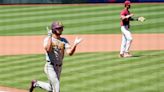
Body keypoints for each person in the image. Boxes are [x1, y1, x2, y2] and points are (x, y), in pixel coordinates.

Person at [29, 21, 82, 92]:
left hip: (59, 68)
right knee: (56, 87)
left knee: (51, 88)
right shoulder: (47, 39)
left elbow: (69, 53)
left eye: (61, 28)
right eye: (59, 28)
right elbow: (48, 49)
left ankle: (35, 83)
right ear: (54, 29)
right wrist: (49, 37)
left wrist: (75, 45)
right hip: (50, 66)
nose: (61, 29)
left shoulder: (64, 40)